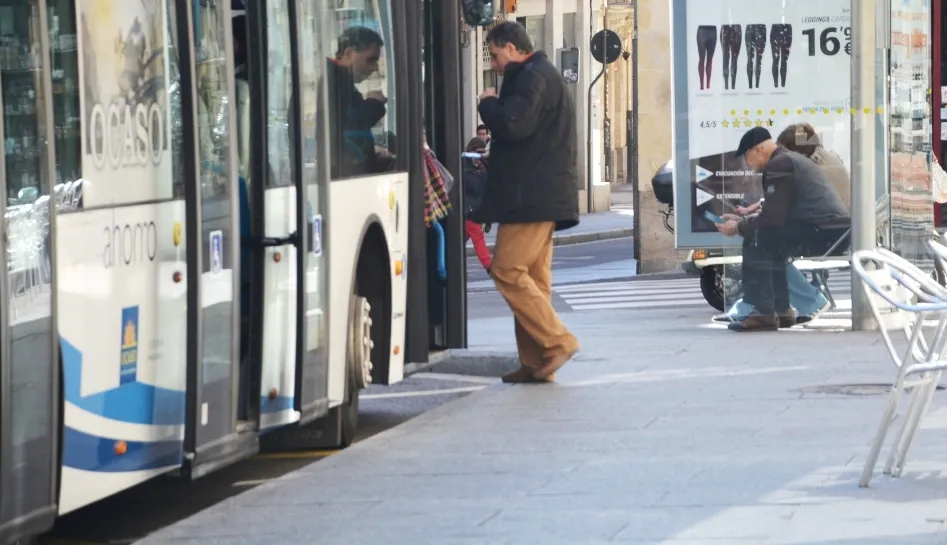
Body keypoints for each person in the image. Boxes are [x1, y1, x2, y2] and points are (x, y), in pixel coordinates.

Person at [475, 21, 580, 382]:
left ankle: (558, 341)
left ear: (512, 47)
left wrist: (487, 105)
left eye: (495, 53)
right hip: (539, 193)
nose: (495, 62)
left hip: (530, 194)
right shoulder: (538, 74)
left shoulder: (533, 76)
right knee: (533, 277)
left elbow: (513, 124)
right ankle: (536, 360)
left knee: (507, 269)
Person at [715, 123, 851, 325]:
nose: (747, 164)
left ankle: (763, 312)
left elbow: (772, 220)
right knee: (770, 240)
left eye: (747, 157)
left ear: (758, 150)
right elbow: (777, 214)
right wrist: (744, 222)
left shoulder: (780, 164)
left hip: (825, 232)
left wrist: (738, 227)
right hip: (830, 230)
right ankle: (781, 310)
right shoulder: (787, 160)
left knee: (757, 238)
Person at [327, 26, 389, 178]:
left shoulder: (339, 80)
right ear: (348, 53)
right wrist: (374, 103)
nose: (374, 68)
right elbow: (354, 124)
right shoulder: (334, 82)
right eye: (370, 60)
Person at [463, 137, 492, 273]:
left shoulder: (482, 167)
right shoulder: (464, 167)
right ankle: (489, 266)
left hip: (474, 210)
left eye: (482, 153)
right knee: (478, 238)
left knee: (460, 240)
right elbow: (475, 187)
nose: (479, 157)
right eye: (477, 153)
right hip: (469, 211)